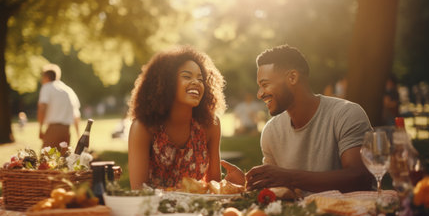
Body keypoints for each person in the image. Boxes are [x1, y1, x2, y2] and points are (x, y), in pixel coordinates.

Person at [224, 45, 373, 193]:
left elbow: (360, 178)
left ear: (292, 77)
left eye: (265, 84)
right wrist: (246, 182)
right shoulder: (271, 131)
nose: (259, 94)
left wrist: (291, 178)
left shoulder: (346, 114)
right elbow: (275, 187)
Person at [127, 46, 226, 189]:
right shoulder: (143, 128)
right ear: (167, 82)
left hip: (198, 210)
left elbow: (214, 187)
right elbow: (138, 191)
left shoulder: (211, 125)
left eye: (200, 79)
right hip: (154, 210)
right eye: (187, 76)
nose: (196, 82)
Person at [37, 64, 81, 150]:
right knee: (63, 160)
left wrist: (40, 128)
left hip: (53, 129)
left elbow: (42, 108)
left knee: (45, 160)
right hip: (66, 131)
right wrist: (78, 134)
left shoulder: (47, 87)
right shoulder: (68, 90)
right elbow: (76, 114)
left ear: (46, 77)